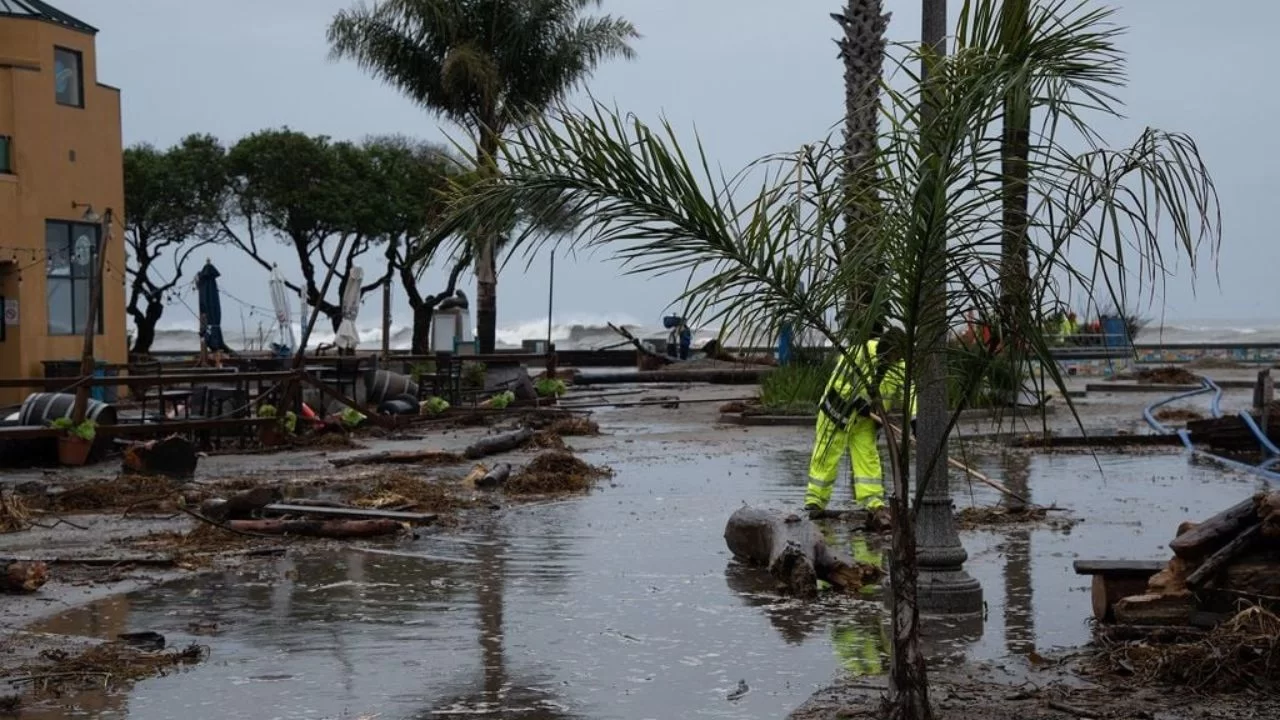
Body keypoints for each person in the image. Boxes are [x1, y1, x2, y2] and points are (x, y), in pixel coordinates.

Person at [804, 325, 916, 530]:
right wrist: (856, 401)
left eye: (898, 355)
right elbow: (839, 382)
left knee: (868, 458)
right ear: (885, 348)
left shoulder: (901, 365)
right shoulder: (860, 353)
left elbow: (911, 392)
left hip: (866, 421)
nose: (894, 358)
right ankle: (815, 501)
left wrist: (916, 420)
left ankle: (873, 503)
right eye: (892, 354)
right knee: (826, 455)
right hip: (837, 413)